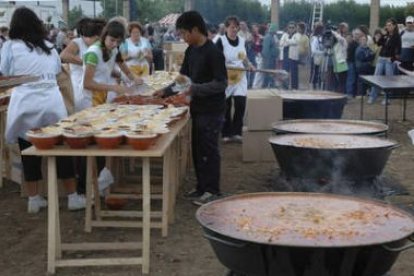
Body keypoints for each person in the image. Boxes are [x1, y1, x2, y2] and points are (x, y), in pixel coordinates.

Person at [1, 7, 86, 213]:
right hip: (51, 103)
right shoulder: (48, 46)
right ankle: (73, 196)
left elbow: (4, 72)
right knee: (61, 148)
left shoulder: (10, 47)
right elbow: (57, 72)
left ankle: (34, 199)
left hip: (25, 103)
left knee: (28, 150)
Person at [155, 11, 227, 206]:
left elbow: (221, 84)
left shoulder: (213, 52)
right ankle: (201, 186)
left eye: (184, 34)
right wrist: (165, 91)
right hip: (197, 108)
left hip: (213, 109)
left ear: (195, 30)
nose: (182, 38)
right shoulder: (191, 50)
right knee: (197, 148)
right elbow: (182, 79)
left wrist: (194, 88)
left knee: (209, 148)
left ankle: (213, 190)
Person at [82, 20, 142, 109]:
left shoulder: (114, 50)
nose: (115, 44)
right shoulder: (93, 53)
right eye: (112, 40)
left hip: (102, 94)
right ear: (105, 35)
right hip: (90, 97)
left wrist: (135, 79)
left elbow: (126, 70)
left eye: (118, 42)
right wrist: (114, 88)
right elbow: (87, 83)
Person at [216, 16, 254, 143]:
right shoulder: (220, 41)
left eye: (236, 27)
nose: (234, 29)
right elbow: (215, 59)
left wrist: (249, 65)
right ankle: (226, 133)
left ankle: (237, 132)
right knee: (226, 106)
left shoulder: (242, 41)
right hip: (226, 77)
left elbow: (243, 58)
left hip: (240, 76)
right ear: (226, 28)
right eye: (231, 27)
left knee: (240, 104)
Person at [60, 18, 106, 112]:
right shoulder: (77, 42)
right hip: (80, 87)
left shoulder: (100, 45)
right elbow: (64, 56)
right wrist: (86, 62)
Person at [368, 18, 401, 105]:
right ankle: (372, 96)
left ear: (394, 26)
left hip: (389, 60)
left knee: (388, 80)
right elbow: (378, 44)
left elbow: (399, 52)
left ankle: (387, 98)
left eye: (390, 25)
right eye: (387, 25)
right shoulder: (385, 35)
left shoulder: (397, 37)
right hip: (381, 59)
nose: (388, 27)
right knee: (376, 77)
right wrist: (377, 38)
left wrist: (392, 59)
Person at [280, 22, 300, 89]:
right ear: (287, 28)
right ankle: (285, 87)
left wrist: (287, 41)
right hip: (285, 55)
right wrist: (289, 42)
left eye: (292, 27)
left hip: (293, 57)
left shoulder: (297, 35)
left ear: (295, 28)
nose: (291, 29)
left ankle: (294, 87)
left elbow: (295, 42)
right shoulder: (285, 35)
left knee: (294, 73)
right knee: (285, 72)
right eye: (290, 27)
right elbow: (281, 43)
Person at [260, 23, 279, 88]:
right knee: (267, 72)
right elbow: (265, 50)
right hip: (268, 58)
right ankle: (264, 86)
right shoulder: (268, 37)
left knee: (271, 72)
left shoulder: (272, 37)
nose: (276, 31)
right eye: (276, 30)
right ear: (273, 30)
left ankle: (271, 85)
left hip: (272, 58)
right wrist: (266, 59)